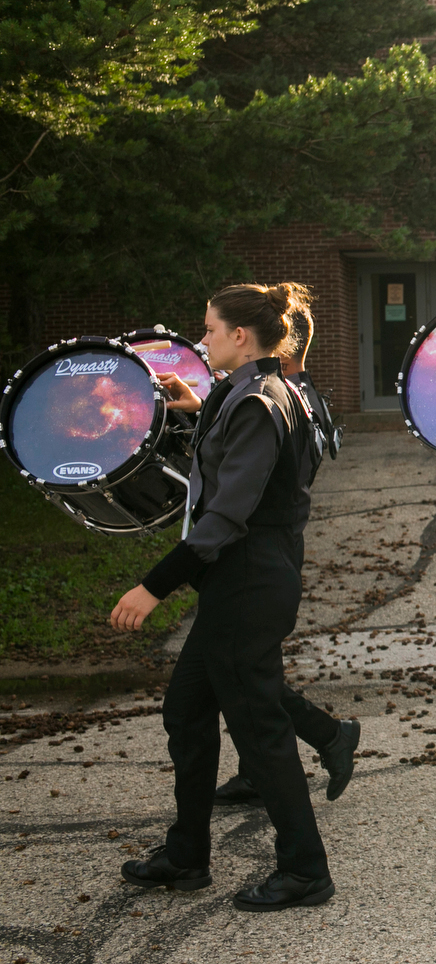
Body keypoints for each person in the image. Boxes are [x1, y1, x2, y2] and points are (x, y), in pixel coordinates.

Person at [109, 282, 337, 911]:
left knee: (260, 729)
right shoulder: (245, 391)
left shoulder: (259, 402)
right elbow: (229, 436)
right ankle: (187, 855)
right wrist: (195, 404)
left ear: (241, 335)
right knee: (186, 709)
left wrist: (152, 587)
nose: (201, 340)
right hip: (241, 580)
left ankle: (305, 871)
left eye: (209, 330)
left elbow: (226, 515)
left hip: (248, 581)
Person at [215, 301, 360, 808]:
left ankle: (323, 739)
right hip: (270, 549)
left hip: (265, 552)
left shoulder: (280, 399)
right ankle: (270, 764)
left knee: (249, 673)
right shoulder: (296, 393)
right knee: (247, 672)